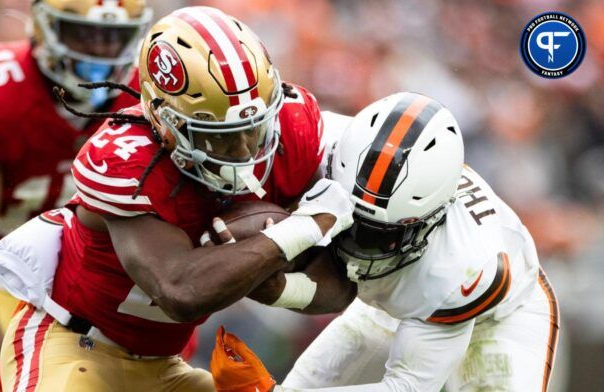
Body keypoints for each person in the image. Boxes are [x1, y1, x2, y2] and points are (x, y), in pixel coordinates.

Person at [0, 6, 355, 392]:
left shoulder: (294, 130)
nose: (245, 148)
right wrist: (300, 230)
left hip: (165, 366)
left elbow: (343, 287)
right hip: (76, 349)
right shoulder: (126, 158)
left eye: (255, 126)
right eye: (218, 133)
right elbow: (179, 291)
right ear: (164, 120)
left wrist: (281, 289)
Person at [211, 92, 560, 392]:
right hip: (398, 292)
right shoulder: (321, 139)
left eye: (377, 235)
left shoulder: (464, 264)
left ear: (428, 223)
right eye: (348, 217)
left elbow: (408, 386)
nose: (355, 244)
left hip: (500, 317)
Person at [0, 1, 153, 390]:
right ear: (45, 28)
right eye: (84, 33)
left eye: (114, 37)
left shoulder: (147, 97)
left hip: (71, 283)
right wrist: (7, 372)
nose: (100, 50)